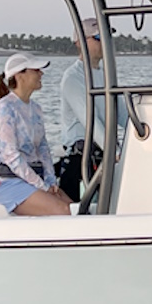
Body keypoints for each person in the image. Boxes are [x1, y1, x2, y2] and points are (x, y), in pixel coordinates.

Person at [0, 52, 73, 216]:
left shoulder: (36, 109)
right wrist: (42, 186)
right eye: (36, 70)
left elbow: (43, 148)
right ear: (19, 75)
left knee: (76, 209)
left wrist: (50, 181)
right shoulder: (4, 108)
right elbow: (10, 155)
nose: (41, 74)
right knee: (64, 211)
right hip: (6, 183)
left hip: (32, 180)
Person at [57, 18, 129, 202]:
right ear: (79, 42)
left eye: (107, 37)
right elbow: (90, 121)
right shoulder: (73, 78)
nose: (104, 42)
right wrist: (115, 152)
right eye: (98, 37)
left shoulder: (106, 75)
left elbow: (123, 116)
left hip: (104, 158)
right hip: (82, 163)